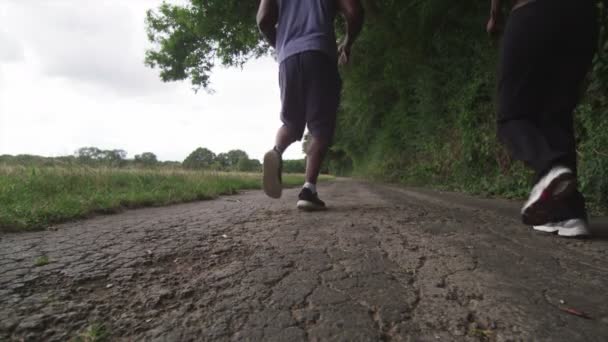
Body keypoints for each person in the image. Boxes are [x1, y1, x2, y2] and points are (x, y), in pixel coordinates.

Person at [488, 0, 599, 236]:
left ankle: (550, 167)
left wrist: (495, 14)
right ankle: (568, 214)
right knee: (556, 113)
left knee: (511, 116)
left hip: (534, 12)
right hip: (584, 16)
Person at [257, 0, 364, 210]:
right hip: (320, 54)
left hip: (287, 59)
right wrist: (347, 43)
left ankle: (277, 151)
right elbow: (354, 11)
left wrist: (281, 45)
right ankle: (308, 190)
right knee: (321, 127)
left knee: (290, 122)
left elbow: (263, 20)